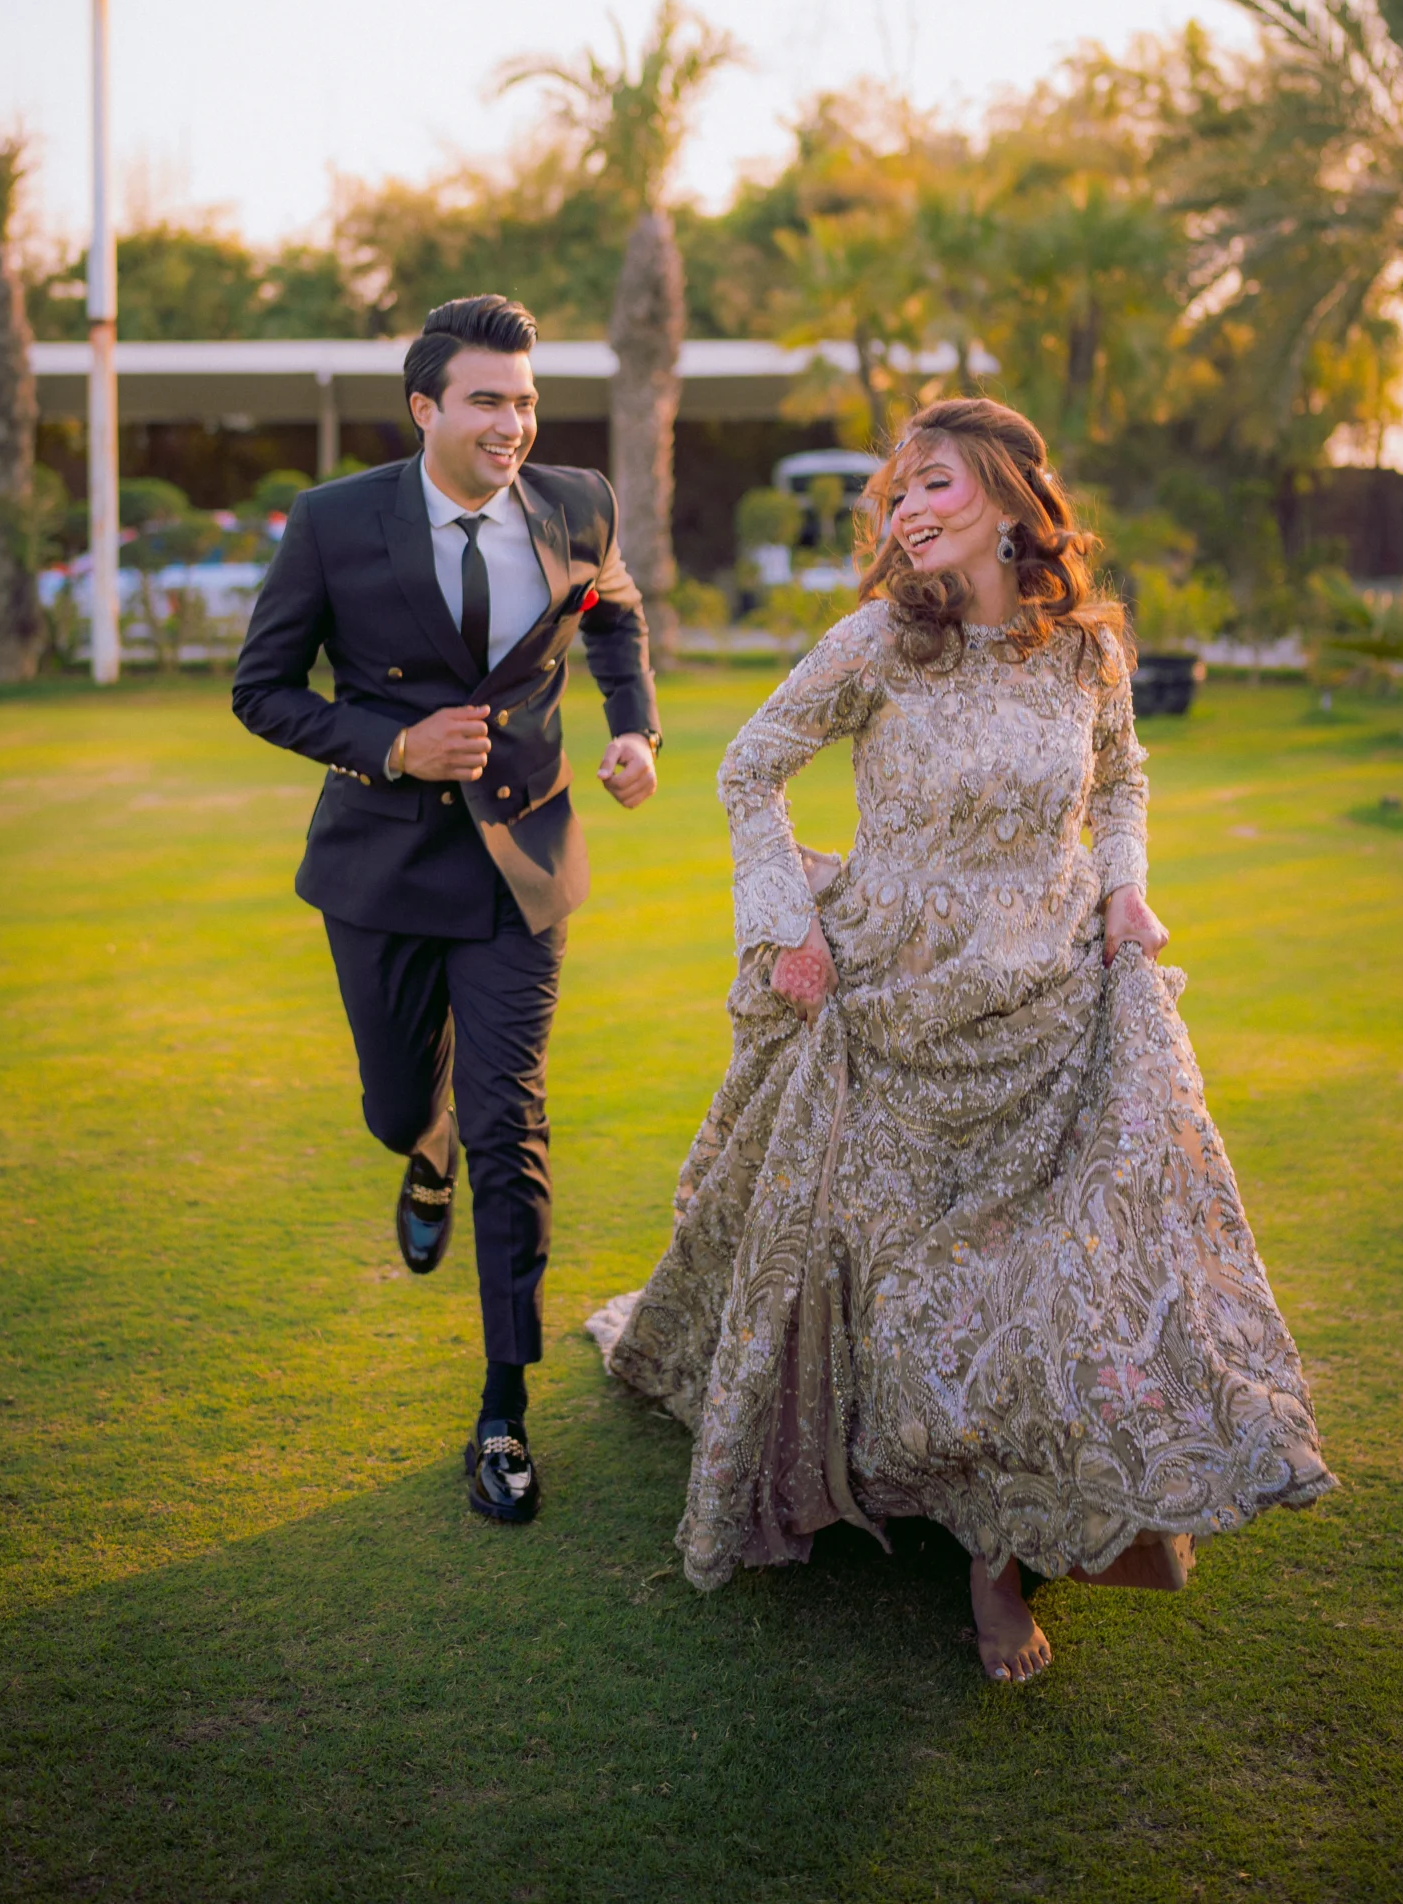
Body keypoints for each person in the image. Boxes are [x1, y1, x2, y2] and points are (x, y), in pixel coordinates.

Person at [592, 396, 1332, 1680]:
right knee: (913, 1283)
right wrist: (785, 925)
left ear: (1005, 493)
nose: (907, 508)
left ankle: (1002, 1555)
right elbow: (748, 768)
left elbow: (1122, 780)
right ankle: (932, 1504)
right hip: (893, 1004)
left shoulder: (1086, 651)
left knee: (1048, 1278)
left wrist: (1126, 889)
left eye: (933, 482)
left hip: (1054, 1001)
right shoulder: (880, 641)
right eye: (898, 489)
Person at [234, 293, 660, 1525]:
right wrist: (393, 746)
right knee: (396, 1106)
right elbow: (262, 689)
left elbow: (613, 609)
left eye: (525, 400)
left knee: (509, 1125)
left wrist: (634, 725)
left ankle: (504, 1410)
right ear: (425, 407)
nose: (512, 423)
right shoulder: (333, 521)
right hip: (381, 868)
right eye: (486, 400)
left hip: (525, 863)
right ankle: (423, 1154)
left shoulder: (579, 503)